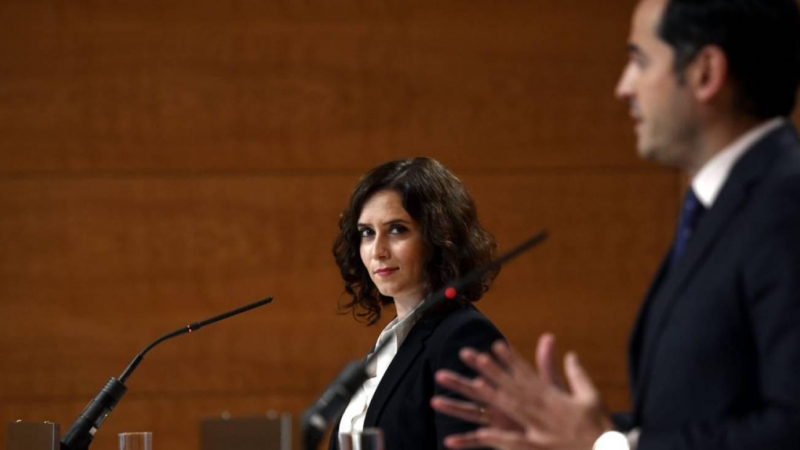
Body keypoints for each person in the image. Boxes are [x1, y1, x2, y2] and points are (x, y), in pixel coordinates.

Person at [430, 0, 800, 449]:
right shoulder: (725, 205)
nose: (624, 87)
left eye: (639, 60)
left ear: (705, 72)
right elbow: (705, 411)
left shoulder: (784, 204)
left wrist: (603, 445)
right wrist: (568, 431)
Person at [329, 157, 505, 450]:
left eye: (397, 229)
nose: (378, 251)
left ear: (438, 237)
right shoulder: (389, 343)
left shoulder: (464, 337)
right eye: (367, 233)